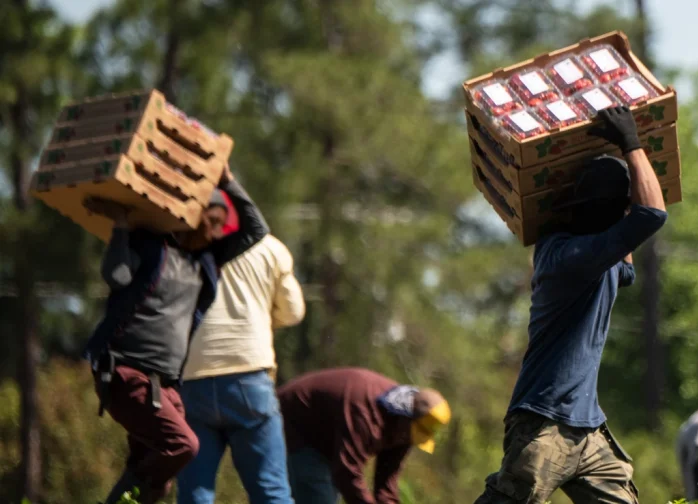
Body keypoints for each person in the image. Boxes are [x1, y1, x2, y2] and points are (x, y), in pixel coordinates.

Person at [473, 106, 668, 504]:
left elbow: (633, 233)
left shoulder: (597, 254)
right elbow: (652, 214)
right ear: (613, 212)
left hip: (586, 429)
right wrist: (631, 142)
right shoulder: (570, 256)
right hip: (544, 424)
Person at [81, 164, 269, 504]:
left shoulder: (207, 262)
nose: (214, 231)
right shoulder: (151, 246)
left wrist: (228, 180)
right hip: (127, 374)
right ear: (189, 217)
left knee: (158, 477)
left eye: (218, 224)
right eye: (210, 220)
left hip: (166, 386)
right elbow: (116, 275)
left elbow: (256, 229)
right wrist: (121, 226)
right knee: (183, 446)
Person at [175, 222, 306, 504]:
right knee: (271, 492)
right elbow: (294, 311)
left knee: (194, 494)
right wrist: (260, 317)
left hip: (192, 377)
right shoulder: (269, 247)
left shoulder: (182, 243)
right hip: (248, 376)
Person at [276, 367, 451, 504]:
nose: (410, 439)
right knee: (320, 494)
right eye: (414, 432)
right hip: (296, 424)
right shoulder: (366, 413)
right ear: (405, 415)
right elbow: (346, 471)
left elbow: (386, 482)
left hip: (328, 445)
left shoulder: (404, 428)